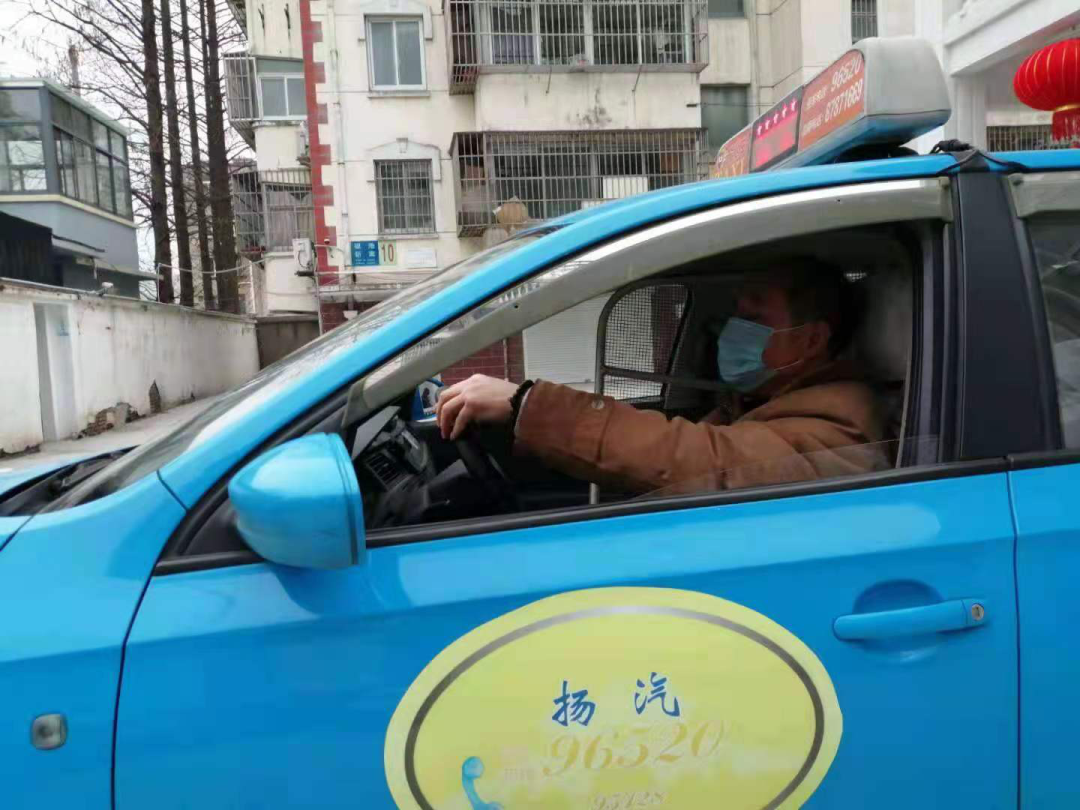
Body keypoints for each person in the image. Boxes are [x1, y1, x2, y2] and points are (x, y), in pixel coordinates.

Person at [435, 261, 887, 495]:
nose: (732, 330)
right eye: (734, 315)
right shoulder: (758, 403)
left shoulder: (839, 429)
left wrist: (527, 405)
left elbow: (699, 459)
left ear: (811, 339)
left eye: (754, 318)